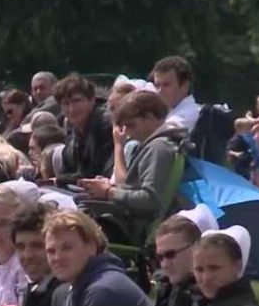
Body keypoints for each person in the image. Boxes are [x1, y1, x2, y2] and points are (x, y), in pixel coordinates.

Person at [79, 90, 187, 243]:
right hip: (126, 222)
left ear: (149, 118)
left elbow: (150, 200)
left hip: (129, 228)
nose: (127, 133)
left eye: (131, 125)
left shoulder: (159, 148)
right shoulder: (156, 145)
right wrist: (108, 187)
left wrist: (109, 192)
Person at [41, 211, 153, 306]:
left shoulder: (104, 291)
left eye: (67, 248)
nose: (57, 258)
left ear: (92, 247)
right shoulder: (79, 287)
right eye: (51, 251)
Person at [0, 202, 70, 306]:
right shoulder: (36, 288)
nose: (27, 255)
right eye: (20, 247)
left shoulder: (66, 292)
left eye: (37, 246)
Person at [147, 206, 217, 306]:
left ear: (198, 247)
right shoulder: (170, 290)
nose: (164, 264)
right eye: (160, 257)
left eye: (170, 255)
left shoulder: (217, 301)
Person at [54, 74, 114, 187]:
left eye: (77, 101)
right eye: (66, 103)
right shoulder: (72, 129)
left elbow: (96, 172)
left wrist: (60, 180)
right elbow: (68, 169)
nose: (72, 109)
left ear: (92, 100)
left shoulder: (106, 125)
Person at [151, 55, 200, 132]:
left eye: (166, 85)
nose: (160, 91)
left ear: (185, 86)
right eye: (157, 85)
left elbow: (161, 134)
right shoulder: (168, 112)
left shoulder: (190, 114)